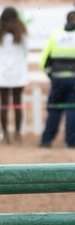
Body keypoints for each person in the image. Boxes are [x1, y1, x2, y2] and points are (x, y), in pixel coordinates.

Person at [0, 7, 29, 144]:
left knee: (3, 104)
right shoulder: (21, 34)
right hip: (18, 72)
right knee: (17, 104)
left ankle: (5, 134)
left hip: (2, 72)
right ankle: (18, 134)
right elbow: (26, 53)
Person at [38, 10, 75, 148]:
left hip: (57, 79)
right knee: (72, 110)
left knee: (54, 109)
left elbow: (43, 61)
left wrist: (52, 76)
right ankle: (71, 142)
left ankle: (46, 140)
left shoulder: (56, 35)